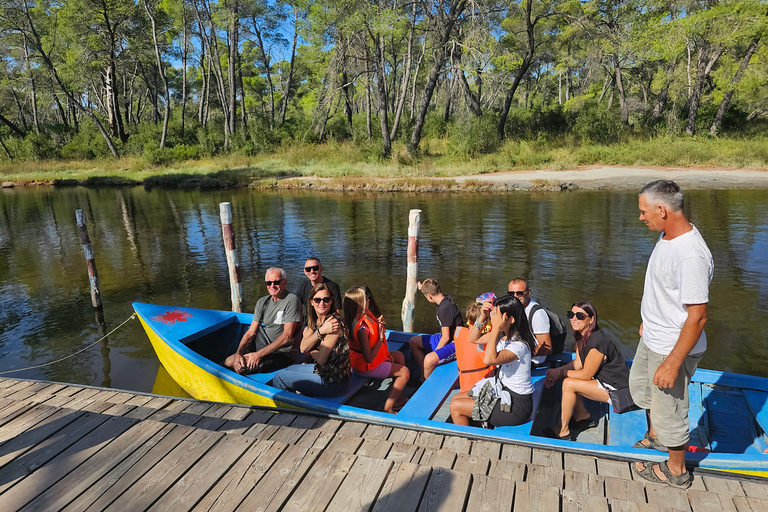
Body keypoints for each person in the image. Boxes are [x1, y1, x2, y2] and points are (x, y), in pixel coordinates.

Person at [630, 180, 713, 489]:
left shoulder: (690, 255)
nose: (641, 218)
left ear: (662, 210)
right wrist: (648, 320)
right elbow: (664, 290)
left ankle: (676, 470)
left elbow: (698, 316)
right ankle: (656, 437)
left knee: (671, 409)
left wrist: (673, 363)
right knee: (642, 389)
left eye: (644, 212)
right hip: (654, 334)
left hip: (671, 346)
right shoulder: (668, 234)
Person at [543, 302, 631, 440]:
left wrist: (560, 373)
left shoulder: (597, 342)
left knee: (568, 383)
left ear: (591, 319)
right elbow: (578, 363)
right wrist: (558, 370)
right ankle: (581, 415)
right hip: (603, 381)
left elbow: (586, 375)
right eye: (571, 315)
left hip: (618, 390)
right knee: (567, 378)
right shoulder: (581, 336)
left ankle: (563, 430)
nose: (574, 319)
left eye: (580, 316)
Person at [449, 295, 536, 427]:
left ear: (511, 319)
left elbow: (489, 359)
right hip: (501, 390)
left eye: (497, 315)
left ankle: (467, 442)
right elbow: (473, 339)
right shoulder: (503, 334)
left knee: (456, 406)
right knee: (456, 398)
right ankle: (476, 429)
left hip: (516, 406)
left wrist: (495, 328)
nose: (493, 318)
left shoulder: (519, 345)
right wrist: (482, 317)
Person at [272, 283, 351, 397]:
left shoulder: (333, 324)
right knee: (289, 369)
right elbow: (303, 348)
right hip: (323, 372)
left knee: (279, 378)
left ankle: (291, 409)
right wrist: (320, 332)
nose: (322, 303)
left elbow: (321, 359)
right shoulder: (315, 320)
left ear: (331, 301)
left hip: (333, 383)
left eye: (326, 299)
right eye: (317, 300)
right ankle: (299, 398)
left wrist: (312, 349)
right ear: (311, 302)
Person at [344, 285, 410, 413]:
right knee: (404, 372)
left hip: (365, 361)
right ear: (360, 304)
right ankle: (388, 407)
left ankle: (396, 396)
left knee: (399, 356)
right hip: (365, 367)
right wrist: (380, 339)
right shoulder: (362, 329)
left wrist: (380, 323)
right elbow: (368, 358)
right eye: (366, 299)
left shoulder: (362, 316)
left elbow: (374, 327)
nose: (369, 300)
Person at [224, 268, 302, 374]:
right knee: (229, 362)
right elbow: (251, 332)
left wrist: (258, 355)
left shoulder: (292, 300)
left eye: (276, 282)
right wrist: (238, 353)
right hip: (264, 343)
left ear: (285, 282)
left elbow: (287, 337)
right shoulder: (262, 302)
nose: (272, 286)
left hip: (283, 352)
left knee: (242, 368)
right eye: (269, 283)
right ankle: (245, 356)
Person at [408, 278, 463, 380]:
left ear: (429, 296)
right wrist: (421, 287)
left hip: (454, 343)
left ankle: (426, 384)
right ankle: (423, 376)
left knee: (429, 360)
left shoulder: (444, 309)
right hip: (443, 336)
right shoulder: (444, 299)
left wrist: (436, 352)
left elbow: (446, 337)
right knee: (413, 342)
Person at [507, 278, 551, 365]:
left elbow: (547, 348)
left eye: (519, 293)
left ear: (528, 292)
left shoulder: (537, 314)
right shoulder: (514, 308)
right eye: (511, 293)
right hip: (516, 356)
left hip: (531, 362)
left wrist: (515, 354)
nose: (515, 296)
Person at [454, 297, 494, 393]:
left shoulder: (458, 332)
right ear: (485, 322)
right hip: (479, 389)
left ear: (468, 319)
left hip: (463, 386)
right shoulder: (486, 340)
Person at [295, 257, 342, 325]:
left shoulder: (332, 286)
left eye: (315, 268)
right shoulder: (303, 286)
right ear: (305, 272)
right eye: (308, 269)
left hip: (328, 322)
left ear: (321, 269)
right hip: (310, 322)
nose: (312, 271)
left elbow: (337, 311)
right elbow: (295, 306)